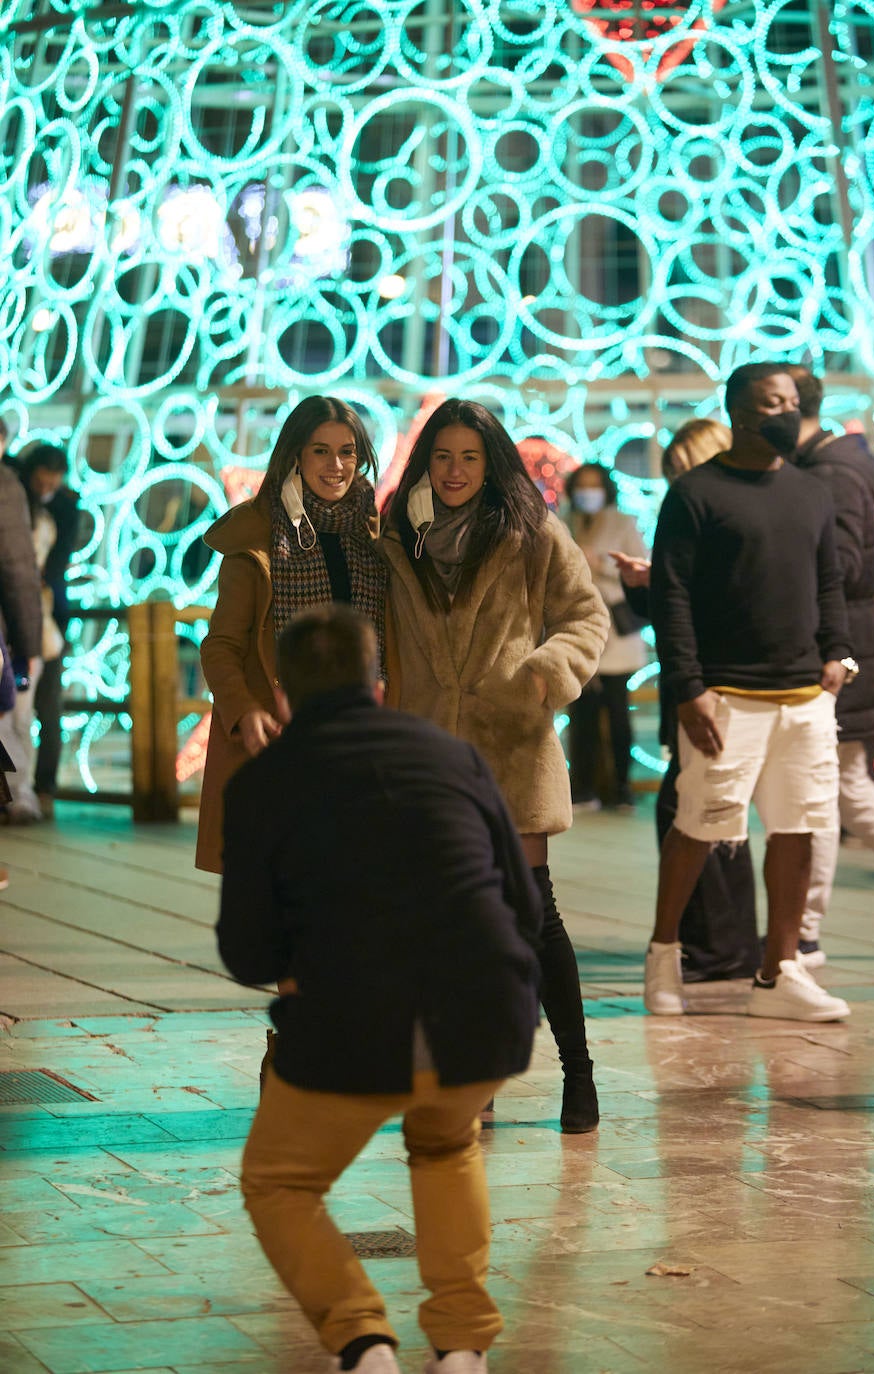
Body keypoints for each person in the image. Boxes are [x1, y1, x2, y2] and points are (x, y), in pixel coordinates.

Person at [218, 605, 543, 1374]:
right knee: (445, 1142)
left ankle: (363, 1343)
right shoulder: (450, 755)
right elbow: (524, 904)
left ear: (287, 695)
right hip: (484, 1014)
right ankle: (463, 1347)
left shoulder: (264, 781)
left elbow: (245, 948)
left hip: (351, 1019)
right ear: (379, 683)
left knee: (279, 1182)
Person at [382, 399, 609, 1133]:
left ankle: (579, 1072)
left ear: (491, 463)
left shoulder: (531, 532)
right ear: (425, 461)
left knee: (534, 915)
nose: (453, 472)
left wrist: (545, 673)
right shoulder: (396, 537)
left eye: (469, 458)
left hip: (510, 747)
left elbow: (585, 616)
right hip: (426, 756)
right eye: (442, 457)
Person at [646, 362, 856, 1022]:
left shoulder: (811, 492)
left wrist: (836, 653)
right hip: (724, 694)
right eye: (773, 402)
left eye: (793, 401)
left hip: (803, 695)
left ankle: (780, 970)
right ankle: (664, 955)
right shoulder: (695, 493)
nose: (787, 412)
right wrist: (687, 686)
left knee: (799, 828)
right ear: (739, 412)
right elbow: (670, 594)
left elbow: (828, 581)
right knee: (698, 826)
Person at [196, 395, 387, 875]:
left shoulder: (372, 535)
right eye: (320, 450)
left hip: (360, 737)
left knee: (353, 885)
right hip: (281, 736)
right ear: (295, 455)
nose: (336, 464)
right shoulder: (259, 535)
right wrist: (245, 711)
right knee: (283, 888)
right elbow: (221, 646)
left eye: (347, 451)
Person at [614, 418, 760, 985]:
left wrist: (657, 586)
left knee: (702, 815)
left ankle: (718, 947)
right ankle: (719, 945)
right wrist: (649, 583)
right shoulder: (721, 515)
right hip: (708, 684)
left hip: (709, 686)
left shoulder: (714, 515)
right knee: (706, 812)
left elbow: (698, 603)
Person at [785, 366, 874, 965]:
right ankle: (803, 928)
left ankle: (804, 931)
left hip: (835, 650)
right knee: (844, 787)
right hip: (843, 645)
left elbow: (839, 567)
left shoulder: (831, 474)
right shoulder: (833, 467)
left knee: (836, 787)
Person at [561, 462, 647, 810]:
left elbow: (640, 566)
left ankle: (620, 787)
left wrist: (600, 564)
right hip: (577, 631)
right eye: (582, 486)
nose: (587, 493)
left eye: (594, 486)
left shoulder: (623, 522)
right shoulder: (564, 521)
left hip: (616, 635)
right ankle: (583, 786)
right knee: (581, 714)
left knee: (617, 712)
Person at [5, 444, 81, 818]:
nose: (46, 488)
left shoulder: (62, 510)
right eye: (41, 482)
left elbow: (52, 564)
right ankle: (18, 794)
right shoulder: (17, 498)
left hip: (45, 624)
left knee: (41, 709)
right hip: (26, 622)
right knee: (16, 711)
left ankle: (35, 791)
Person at [0, 461, 43, 836]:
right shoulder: (5, 485)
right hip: (6, 633)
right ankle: (18, 797)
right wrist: (28, 644)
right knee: (12, 719)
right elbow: (17, 570)